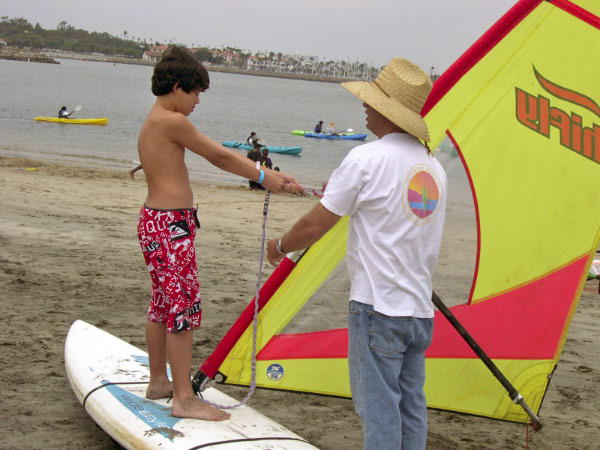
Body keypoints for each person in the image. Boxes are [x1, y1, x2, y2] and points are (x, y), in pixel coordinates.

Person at [266, 58, 447, 450]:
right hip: (417, 312)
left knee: (380, 410)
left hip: (378, 308)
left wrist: (278, 247)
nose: (364, 105)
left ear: (387, 109)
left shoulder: (366, 159)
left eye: (371, 100)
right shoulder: (434, 167)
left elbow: (317, 225)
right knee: (411, 406)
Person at [136, 46, 301, 422]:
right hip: (170, 226)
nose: (197, 101)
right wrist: (264, 176)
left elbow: (158, 159)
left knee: (163, 304)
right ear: (178, 87)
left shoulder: (154, 119)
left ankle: (159, 381)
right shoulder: (173, 121)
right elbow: (218, 155)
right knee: (183, 309)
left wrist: (274, 176)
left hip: (155, 221)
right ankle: (183, 398)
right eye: (195, 93)